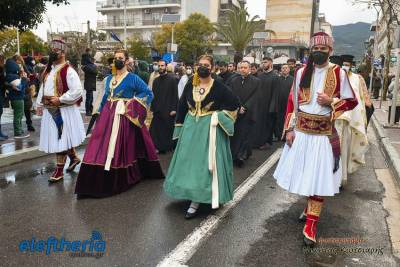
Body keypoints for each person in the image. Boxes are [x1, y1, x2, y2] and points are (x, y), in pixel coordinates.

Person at [273, 32, 358, 246]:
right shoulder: (301, 72)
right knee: (305, 174)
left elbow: (352, 101)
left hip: (323, 135)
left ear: (330, 51)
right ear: (310, 51)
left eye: (323, 49)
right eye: (315, 49)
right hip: (301, 133)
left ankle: (311, 224)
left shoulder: (338, 72)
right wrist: (289, 130)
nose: (318, 52)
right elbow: (293, 103)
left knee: (319, 180)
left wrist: (332, 101)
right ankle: (309, 208)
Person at [75, 49, 164, 198]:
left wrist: (130, 105)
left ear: (127, 60)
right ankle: (94, 181)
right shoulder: (109, 78)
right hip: (107, 117)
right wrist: (98, 112)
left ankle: (116, 178)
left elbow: (148, 93)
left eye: (121, 58)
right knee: (99, 146)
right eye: (116, 58)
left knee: (118, 146)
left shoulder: (133, 78)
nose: (117, 60)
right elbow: (106, 97)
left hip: (123, 117)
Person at [164, 55, 240, 219]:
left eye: (206, 65)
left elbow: (234, 104)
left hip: (209, 130)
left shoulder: (219, 86)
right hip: (191, 127)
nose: (203, 67)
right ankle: (190, 193)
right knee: (188, 162)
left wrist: (218, 116)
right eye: (200, 64)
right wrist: (178, 127)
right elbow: (182, 105)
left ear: (212, 68)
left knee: (205, 163)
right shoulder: (191, 83)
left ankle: (200, 198)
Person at [36, 39, 86, 182]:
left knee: (60, 138)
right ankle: (75, 158)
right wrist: (39, 104)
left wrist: (61, 99)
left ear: (63, 53)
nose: (53, 52)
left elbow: (77, 91)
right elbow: (43, 88)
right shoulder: (49, 70)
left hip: (63, 110)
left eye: (56, 50)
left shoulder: (69, 71)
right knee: (61, 138)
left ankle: (59, 171)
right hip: (49, 109)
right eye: (51, 49)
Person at [335, 54, 370, 186]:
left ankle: (341, 179)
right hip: (334, 118)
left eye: (348, 64)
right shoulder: (335, 76)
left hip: (349, 121)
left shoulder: (356, 78)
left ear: (351, 65)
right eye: (343, 64)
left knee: (345, 149)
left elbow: (359, 99)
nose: (345, 67)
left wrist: (359, 119)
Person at [229, 61, 261, 167]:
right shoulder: (234, 80)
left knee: (245, 135)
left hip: (249, 112)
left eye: (245, 67)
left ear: (249, 69)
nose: (242, 69)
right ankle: (235, 155)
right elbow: (232, 94)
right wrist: (239, 106)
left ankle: (241, 156)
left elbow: (255, 96)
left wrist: (245, 107)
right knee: (236, 134)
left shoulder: (256, 81)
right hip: (236, 112)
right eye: (241, 67)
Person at [149, 59, 178, 153]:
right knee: (155, 130)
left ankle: (165, 148)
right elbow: (153, 95)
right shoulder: (156, 80)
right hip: (158, 110)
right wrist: (153, 108)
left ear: (166, 67)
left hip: (168, 110)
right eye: (159, 66)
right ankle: (157, 148)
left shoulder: (172, 79)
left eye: (162, 65)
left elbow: (175, 95)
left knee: (166, 131)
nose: (160, 67)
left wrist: (174, 109)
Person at [252, 56, 279, 149]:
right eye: (262, 62)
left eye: (266, 62)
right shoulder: (259, 76)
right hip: (259, 105)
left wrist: (272, 107)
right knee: (258, 124)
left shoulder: (275, 77)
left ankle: (266, 143)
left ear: (271, 63)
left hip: (269, 106)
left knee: (268, 125)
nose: (263, 64)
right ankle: (258, 142)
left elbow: (276, 93)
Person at [5, 55, 30, 139]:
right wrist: (24, 80)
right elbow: (19, 88)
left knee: (19, 114)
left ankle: (19, 130)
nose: (20, 66)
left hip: (16, 98)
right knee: (18, 114)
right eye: (19, 63)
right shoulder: (14, 76)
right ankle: (18, 132)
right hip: (17, 98)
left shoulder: (10, 75)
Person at [275, 64, 294, 137]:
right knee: (279, 119)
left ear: (289, 69)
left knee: (288, 119)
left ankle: (287, 134)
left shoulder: (293, 79)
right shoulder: (277, 79)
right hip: (279, 102)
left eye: (286, 68)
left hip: (289, 103)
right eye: (283, 68)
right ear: (281, 70)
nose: (284, 69)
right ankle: (279, 135)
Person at [0, 55, 8, 141]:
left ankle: (0, 132)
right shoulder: (1, 69)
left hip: (1, 93)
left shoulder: (2, 69)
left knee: (0, 112)